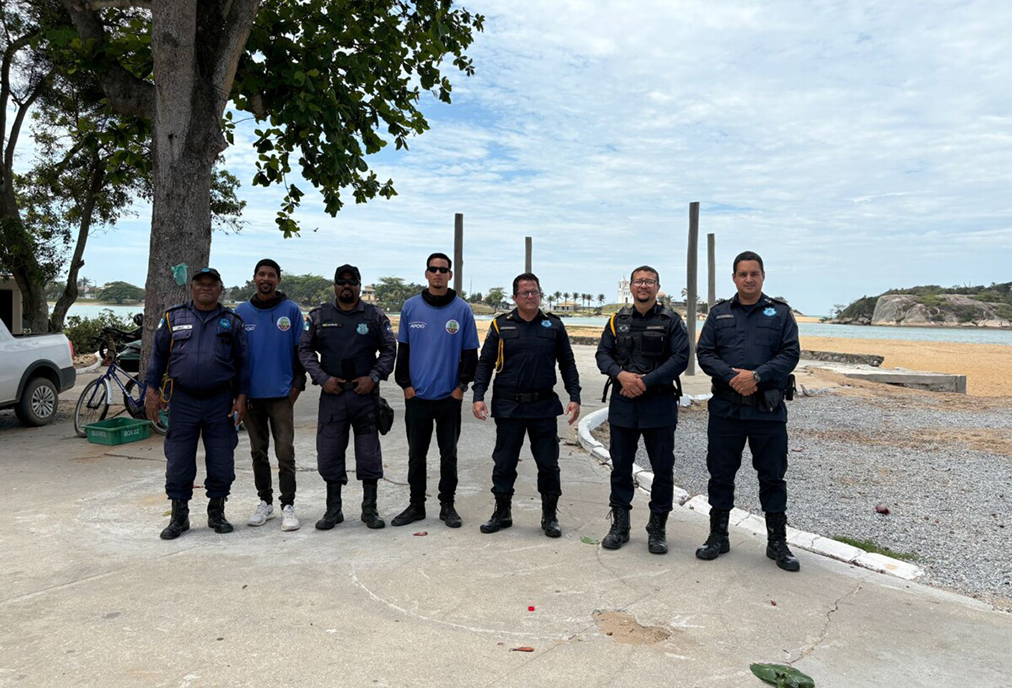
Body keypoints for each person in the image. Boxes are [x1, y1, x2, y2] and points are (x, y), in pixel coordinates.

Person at [694, 251, 802, 571]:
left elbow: (790, 353)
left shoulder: (780, 313)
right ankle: (718, 536)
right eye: (743, 274)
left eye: (754, 273)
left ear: (763, 276)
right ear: (734, 278)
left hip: (767, 412)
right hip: (726, 410)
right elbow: (705, 353)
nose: (749, 279)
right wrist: (733, 378)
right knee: (721, 475)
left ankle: (777, 543)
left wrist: (756, 377)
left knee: (772, 477)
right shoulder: (719, 314)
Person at [472, 273, 581, 538]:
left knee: (548, 463)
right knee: (504, 462)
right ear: (515, 297)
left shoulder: (553, 326)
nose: (531, 297)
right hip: (509, 406)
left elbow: (567, 363)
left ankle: (550, 516)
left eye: (535, 292)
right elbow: (485, 362)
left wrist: (574, 396)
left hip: (543, 406)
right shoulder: (500, 326)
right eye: (525, 293)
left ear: (540, 294)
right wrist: (478, 395)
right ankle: (502, 512)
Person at [145, 267, 249, 540]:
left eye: (212, 284)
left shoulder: (232, 321)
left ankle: (217, 511)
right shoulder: (173, 317)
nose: (206, 288)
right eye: (200, 283)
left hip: (220, 401)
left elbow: (243, 364)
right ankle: (179, 515)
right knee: (178, 459)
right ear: (191, 287)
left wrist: (241, 397)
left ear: (219, 289)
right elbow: (157, 357)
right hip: (183, 400)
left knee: (222, 458)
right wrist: (151, 392)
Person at [596, 266, 689, 554]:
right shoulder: (617, 320)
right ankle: (620, 525)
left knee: (663, 470)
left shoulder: (672, 321)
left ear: (658, 287)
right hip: (624, 402)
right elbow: (603, 354)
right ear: (631, 286)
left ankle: (657, 528)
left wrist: (645, 382)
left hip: (658, 404)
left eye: (649, 281)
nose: (643, 286)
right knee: (620, 468)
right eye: (639, 281)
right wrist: (621, 376)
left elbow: (680, 358)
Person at [298, 264, 396, 531]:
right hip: (333, 395)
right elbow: (304, 350)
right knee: (329, 453)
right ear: (335, 285)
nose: (346, 286)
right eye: (341, 281)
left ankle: (369, 509)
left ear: (359, 286)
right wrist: (322, 378)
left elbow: (389, 350)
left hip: (364, 396)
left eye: (352, 282)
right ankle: (333, 510)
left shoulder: (374, 316)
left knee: (368, 455)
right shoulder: (319, 316)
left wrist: (374, 377)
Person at [391, 253, 479, 528]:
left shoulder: (462, 309)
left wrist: (461, 387)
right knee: (416, 455)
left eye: (443, 269)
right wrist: (405, 385)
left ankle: (447, 505)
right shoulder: (410, 307)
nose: (438, 273)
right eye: (433, 269)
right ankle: (416, 505)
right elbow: (402, 351)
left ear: (450, 275)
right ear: (426, 274)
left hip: (448, 399)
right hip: (417, 397)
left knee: (448, 454)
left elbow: (470, 354)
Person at [235, 259, 306, 532]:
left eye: (272, 275)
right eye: (262, 274)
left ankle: (288, 505)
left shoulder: (291, 311)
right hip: (252, 397)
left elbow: (302, 352)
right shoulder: (241, 313)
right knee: (257, 451)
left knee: (285, 452)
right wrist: (238, 393)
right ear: (254, 278)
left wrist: (297, 386)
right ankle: (264, 502)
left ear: (278, 280)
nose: (266, 278)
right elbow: (235, 357)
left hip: (281, 396)